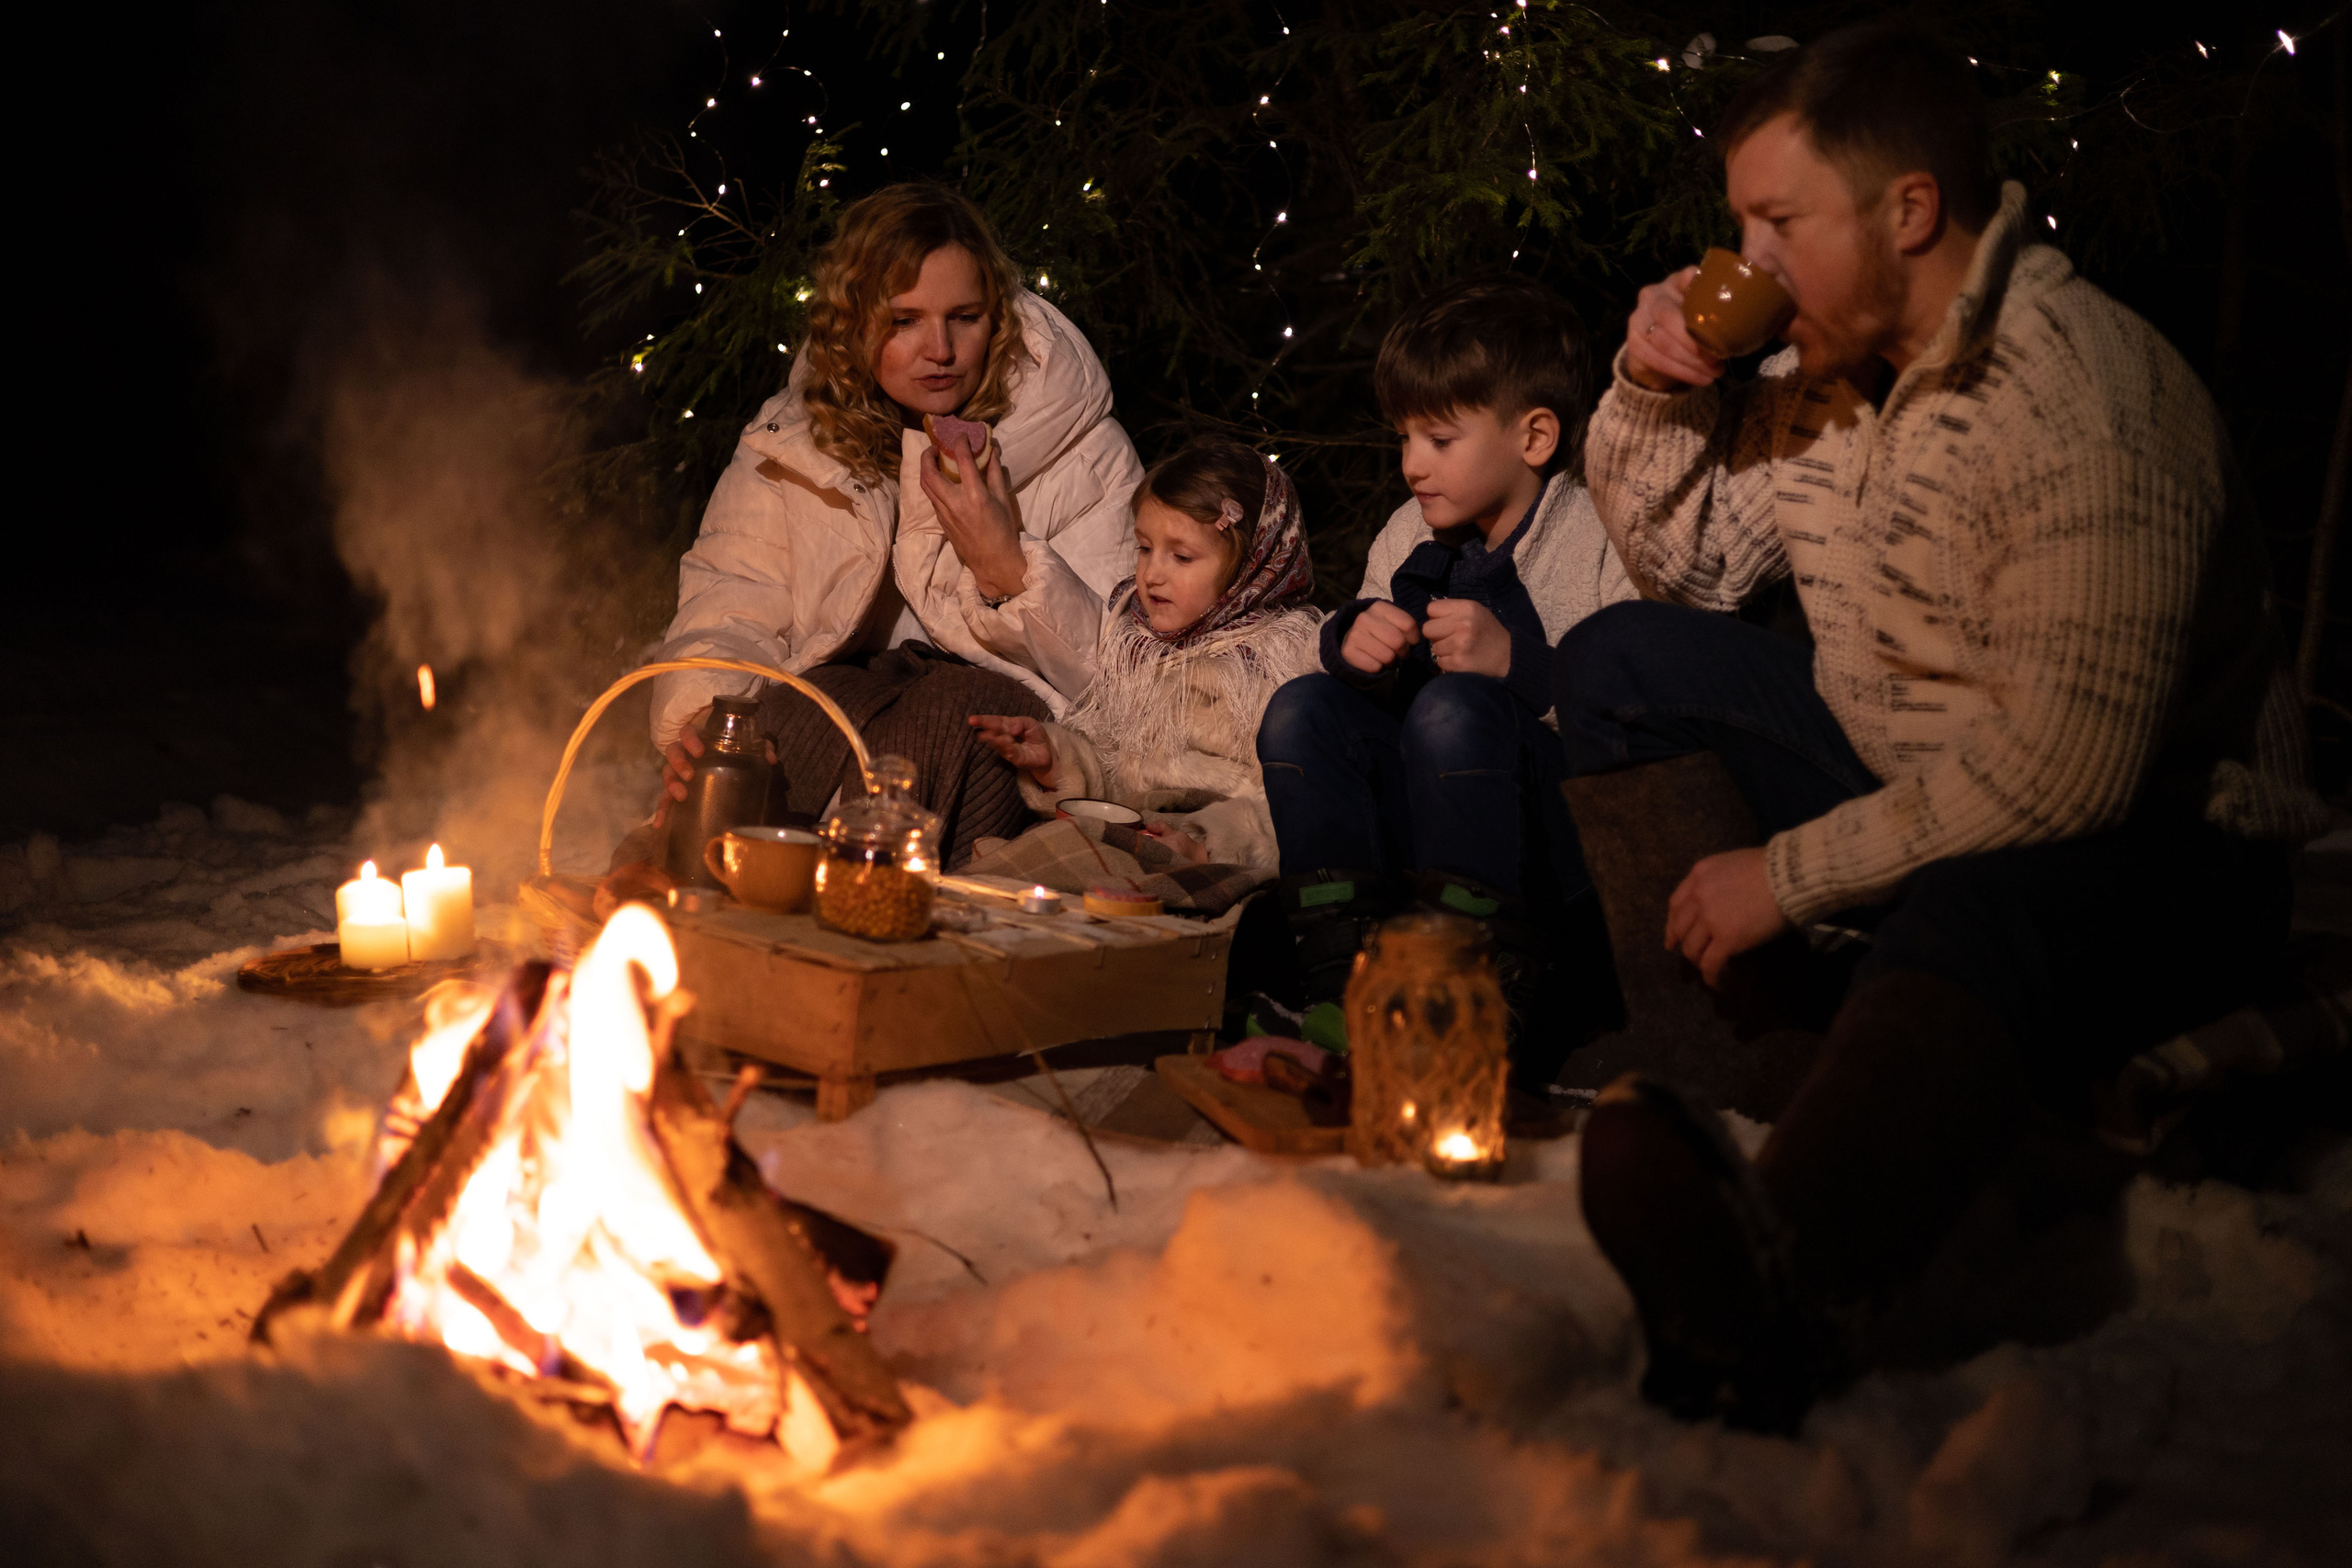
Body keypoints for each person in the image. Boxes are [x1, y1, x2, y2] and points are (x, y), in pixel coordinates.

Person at [1553, 23, 2330, 1428]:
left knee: (1976, 895)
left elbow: (2066, 772)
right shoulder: (1821, 376)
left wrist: (1785, 875)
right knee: (1615, 659)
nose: (1747, 258)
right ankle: (1759, 1087)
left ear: (1908, 209)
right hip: (1909, 764)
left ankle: (1793, 1267)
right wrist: (1652, 391)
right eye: (1739, 223)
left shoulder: (2085, 394)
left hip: (2160, 844)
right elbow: (1695, 571)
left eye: (1778, 220)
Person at [640, 183, 1143, 869]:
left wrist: (1005, 566)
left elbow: (1128, 679)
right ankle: (701, 915)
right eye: (904, 321)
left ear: (996, 316)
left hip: (1001, 725)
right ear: (853, 323)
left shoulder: (1081, 448)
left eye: (964, 317)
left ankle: (861, 908)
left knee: (952, 711)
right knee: (773, 732)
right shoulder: (793, 440)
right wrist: (707, 720)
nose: (939, 348)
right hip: (846, 701)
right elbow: (733, 594)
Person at [1254, 274, 1636, 1064]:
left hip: (1552, 844)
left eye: (1439, 440)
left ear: (1533, 438)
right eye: (1403, 439)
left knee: (1454, 710)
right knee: (1301, 708)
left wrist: (1517, 665)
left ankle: (1469, 1001)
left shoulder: (1596, 531)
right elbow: (1359, 639)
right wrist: (1354, 644)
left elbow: (1631, 708)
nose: (1411, 466)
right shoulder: (1409, 532)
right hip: (1424, 822)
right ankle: (1341, 986)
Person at [969, 441, 1321, 872]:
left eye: (1182, 556)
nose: (1152, 574)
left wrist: (1206, 844)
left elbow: (1294, 803)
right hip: (1137, 830)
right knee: (1004, 872)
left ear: (1252, 563)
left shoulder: (1277, 663)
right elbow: (1114, 767)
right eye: (1144, 548)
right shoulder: (1137, 645)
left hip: (1210, 854)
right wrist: (1056, 761)